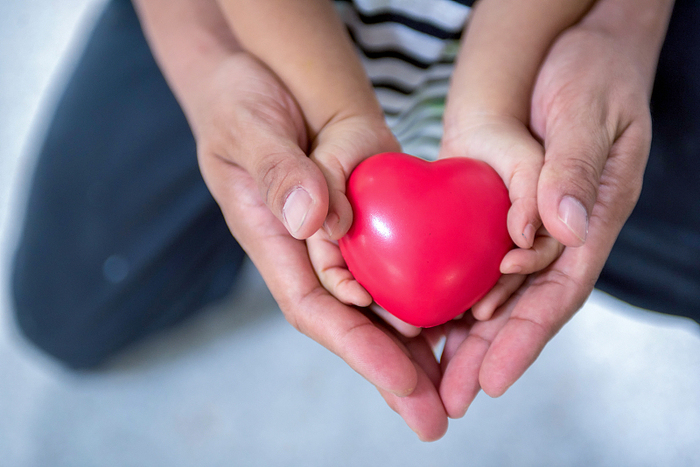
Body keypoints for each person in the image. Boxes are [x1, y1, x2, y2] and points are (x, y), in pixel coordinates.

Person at [10, 0, 688, 443]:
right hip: (252, 23)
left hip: (553, 28)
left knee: (597, 206)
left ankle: (490, 225)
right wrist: (212, 66)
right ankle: (281, 171)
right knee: (70, 307)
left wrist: (613, 33)